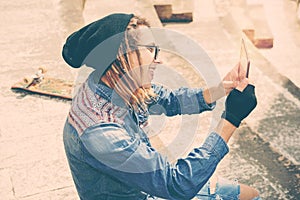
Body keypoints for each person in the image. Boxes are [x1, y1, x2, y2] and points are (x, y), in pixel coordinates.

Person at [62, 13, 261, 200]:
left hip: (147, 187)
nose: (158, 59)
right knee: (248, 196)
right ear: (121, 56)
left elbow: (170, 99)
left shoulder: (113, 82)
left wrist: (220, 89)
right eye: (149, 49)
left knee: (250, 194)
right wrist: (231, 119)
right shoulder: (101, 132)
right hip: (154, 190)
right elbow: (177, 184)